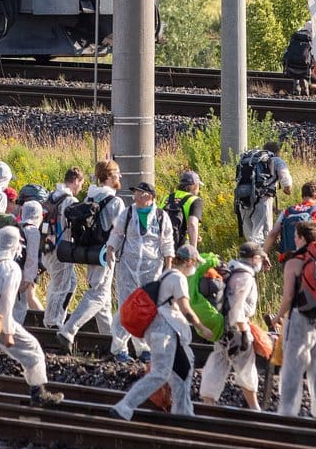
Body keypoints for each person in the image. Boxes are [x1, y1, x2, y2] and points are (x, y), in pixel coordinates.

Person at [109, 245, 213, 421]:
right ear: (188, 262)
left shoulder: (166, 274)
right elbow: (185, 309)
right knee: (160, 374)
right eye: (195, 263)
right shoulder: (178, 278)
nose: (195, 267)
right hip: (163, 332)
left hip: (168, 332)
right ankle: (124, 406)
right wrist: (201, 327)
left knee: (184, 371)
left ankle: (184, 414)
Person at [0, 225, 64, 412]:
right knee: (33, 349)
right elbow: (7, 302)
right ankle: (39, 393)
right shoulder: (11, 267)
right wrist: (8, 332)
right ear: (15, 245)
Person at [55, 160, 124, 351]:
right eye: (117, 173)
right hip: (106, 252)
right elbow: (120, 230)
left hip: (92, 251)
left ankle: (113, 344)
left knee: (103, 302)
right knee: (98, 295)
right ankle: (68, 330)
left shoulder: (91, 196)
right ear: (109, 177)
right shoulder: (115, 202)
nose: (120, 176)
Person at [272, 220, 316, 420]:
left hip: (301, 317)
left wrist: (277, 317)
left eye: (295, 236)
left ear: (299, 237)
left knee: (293, 366)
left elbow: (289, 296)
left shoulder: (294, 260)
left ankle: (288, 412)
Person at [106, 181, 174, 363]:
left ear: (148, 196)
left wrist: (168, 265)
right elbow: (117, 233)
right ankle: (119, 348)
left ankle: (143, 348)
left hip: (151, 269)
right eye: (135, 192)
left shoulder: (161, 216)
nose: (135, 196)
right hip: (128, 267)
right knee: (126, 307)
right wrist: (111, 250)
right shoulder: (128, 213)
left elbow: (167, 241)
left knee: (145, 309)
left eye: (138, 193)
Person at [198, 242, 268, 410]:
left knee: (217, 362)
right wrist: (244, 333)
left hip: (221, 327)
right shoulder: (245, 277)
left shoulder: (230, 268)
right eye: (260, 258)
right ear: (255, 258)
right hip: (236, 329)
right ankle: (254, 408)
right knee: (246, 366)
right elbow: (237, 306)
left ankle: (208, 404)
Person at [42, 167, 86, 329]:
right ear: (75, 181)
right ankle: (52, 322)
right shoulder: (69, 201)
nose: (80, 187)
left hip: (48, 245)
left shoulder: (53, 195)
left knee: (70, 282)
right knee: (61, 285)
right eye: (81, 183)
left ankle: (56, 317)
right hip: (62, 248)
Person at [265, 180, 316, 261]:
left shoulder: (287, 211)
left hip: (289, 259)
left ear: (303, 195)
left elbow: (273, 234)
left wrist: (264, 254)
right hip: (312, 259)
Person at [235, 141, 293, 245]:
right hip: (262, 199)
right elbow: (287, 182)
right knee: (263, 234)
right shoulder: (276, 160)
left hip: (243, 198)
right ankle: (259, 258)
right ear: (277, 151)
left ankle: (249, 257)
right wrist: (287, 190)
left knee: (250, 235)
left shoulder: (251, 160)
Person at [12, 200, 44, 324]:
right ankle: (14, 336)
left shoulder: (16, 226)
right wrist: (29, 278)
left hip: (9, 268)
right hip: (21, 272)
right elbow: (32, 257)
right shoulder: (33, 231)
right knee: (20, 306)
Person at [164, 170, 204, 249]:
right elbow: (192, 224)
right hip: (182, 245)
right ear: (195, 185)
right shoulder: (195, 200)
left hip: (164, 243)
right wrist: (193, 251)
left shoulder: (167, 198)